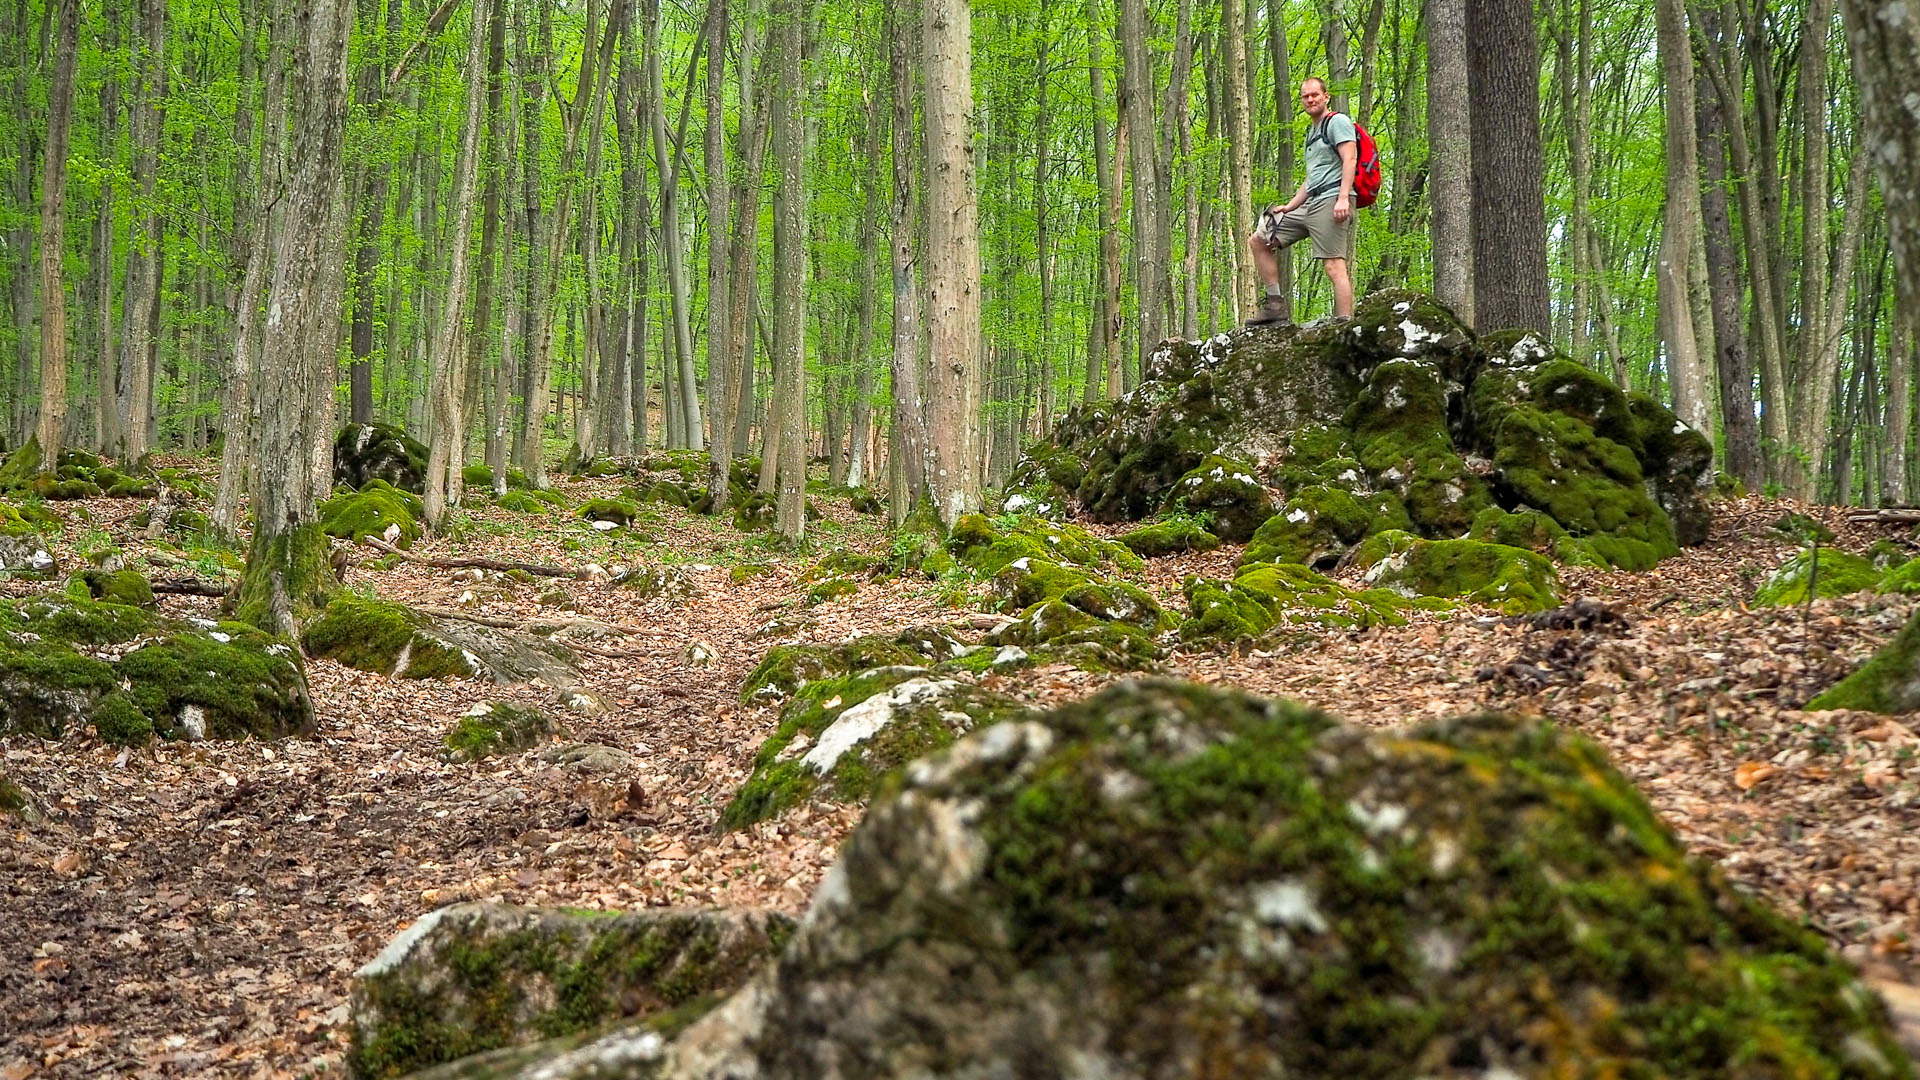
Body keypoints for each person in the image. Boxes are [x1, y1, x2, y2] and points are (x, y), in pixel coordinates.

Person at [1246, 76, 1356, 325]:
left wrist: (1342, 199)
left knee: (1333, 265)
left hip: (1332, 199)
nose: (1310, 100)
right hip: (1310, 203)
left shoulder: (1337, 122)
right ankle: (1275, 307)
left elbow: (1350, 159)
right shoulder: (1311, 132)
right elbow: (1311, 179)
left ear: (1326, 96)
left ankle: (1345, 324)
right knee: (1259, 240)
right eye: (1305, 96)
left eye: (1314, 95)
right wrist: (1290, 206)